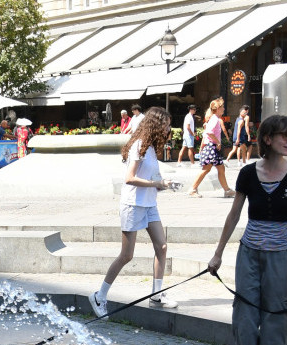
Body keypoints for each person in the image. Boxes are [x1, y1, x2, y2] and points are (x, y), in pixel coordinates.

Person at [206, 114, 287, 345]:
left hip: (283, 256)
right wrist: (218, 253)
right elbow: (234, 214)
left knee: (276, 318)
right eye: (284, 135)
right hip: (249, 253)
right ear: (267, 138)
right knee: (245, 317)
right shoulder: (249, 173)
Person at [89, 107, 177, 317]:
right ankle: (99, 296)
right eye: (165, 124)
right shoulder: (139, 146)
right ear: (156, 125)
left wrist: (164, 184)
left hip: (148, 204)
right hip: (133, 204)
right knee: (127, 255)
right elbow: (129, 178)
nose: (168, 128)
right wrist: (157, 182)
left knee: (162, 246)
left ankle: (157, 294)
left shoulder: (152, 148)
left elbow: (152, 178)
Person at [188, 98, 233, 198]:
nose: (224, 109)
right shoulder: (215, 119)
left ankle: (227, 190)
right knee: (206, 169)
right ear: (217, 108)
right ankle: (193, 189)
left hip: (212, 147)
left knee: (221, 168)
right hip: (211, 147)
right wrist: (217, 142)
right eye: (222, 107)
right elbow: (209, 132)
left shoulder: (214, 118)